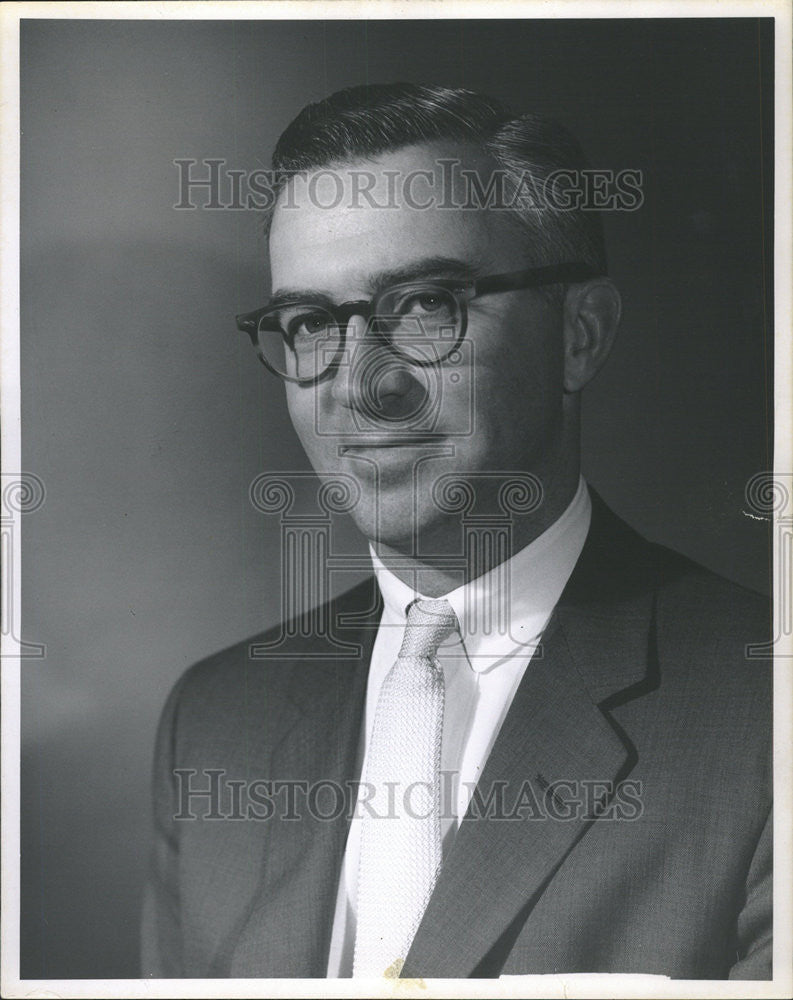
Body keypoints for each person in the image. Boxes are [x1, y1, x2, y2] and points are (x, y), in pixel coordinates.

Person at [141, 83, 771, 980]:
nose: (362, 385)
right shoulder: (210, 728)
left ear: (579, 335)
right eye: (311, 322)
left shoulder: (761, 714)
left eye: (426, 303)